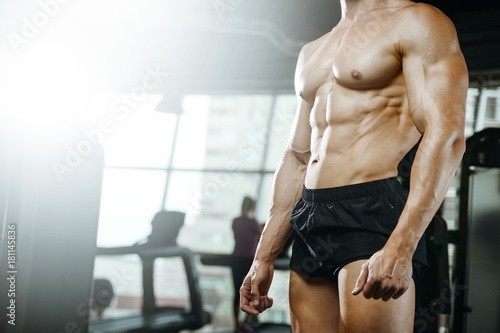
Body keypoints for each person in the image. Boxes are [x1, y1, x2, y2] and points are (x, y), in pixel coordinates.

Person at [239, 0, 468, 332]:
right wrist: (263, 257)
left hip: (372, 214)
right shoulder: (313, 51)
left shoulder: (417, 21)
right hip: (311, 216)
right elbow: (298, 156)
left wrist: (402, 245)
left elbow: (446, 135)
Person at [232, 196, 262, 332]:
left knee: (237, 292)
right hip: (249, 259)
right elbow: (263, 238)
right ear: (252, 207)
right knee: (250, 292)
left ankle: (237, 325)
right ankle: (245, 323)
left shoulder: (235, 221)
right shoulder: (254, 223)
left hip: (236, 258)